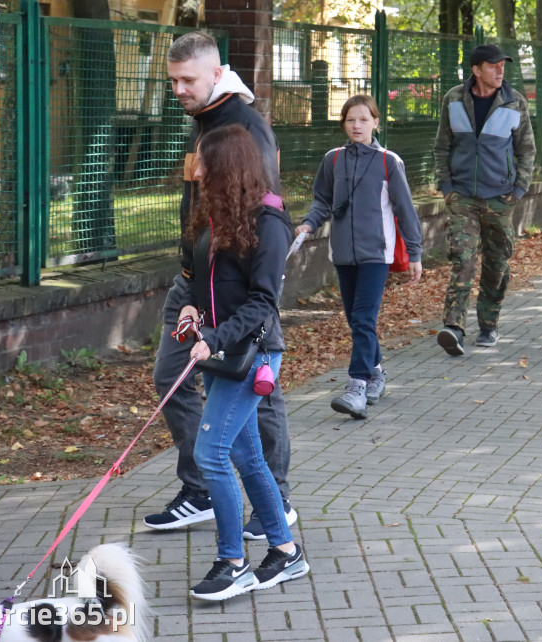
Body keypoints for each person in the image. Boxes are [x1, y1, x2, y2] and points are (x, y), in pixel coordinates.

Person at [146, 31, 298, 542]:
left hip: (231, 289)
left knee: (258, 386)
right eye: (173, 81)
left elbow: (262, 215)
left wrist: (227, 300)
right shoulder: (204, 119)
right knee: (172, 375)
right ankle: (203, 490)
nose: (179, 90)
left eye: (188, 80)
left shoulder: (244, 126)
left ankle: (274, 499)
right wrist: (191, 285)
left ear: (216, 74)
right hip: (193, 280)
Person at [180, 125, 309, 600]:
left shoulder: (269, 221)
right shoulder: (214, 211)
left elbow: (262, 303)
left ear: (229, 165)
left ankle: (232, 562)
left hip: (251, 353)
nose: (196, 167)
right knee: (245, 454)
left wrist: (214, 339)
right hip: (221, 351)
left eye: (204, 159)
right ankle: (286, 552)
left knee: (211, 454)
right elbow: (204, 278)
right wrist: (192, 308)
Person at [296, 95, 424, 417]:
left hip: (375, 254)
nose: (357, 125)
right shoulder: (333, 159)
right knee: (356, 320)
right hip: (342, 253)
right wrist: (309, 224)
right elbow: (322, 200)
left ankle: (357, 386)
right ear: (343, 123)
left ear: (376, 123)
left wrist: (415, 252)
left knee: (364, 319)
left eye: (364, 120)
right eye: (351, 120)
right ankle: (377, 373)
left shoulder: (388, 161)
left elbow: (405, 210)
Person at [433, 43, 535, 356]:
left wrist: (518, 190)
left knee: (496, 263)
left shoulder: (514, 102)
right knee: (462, 259)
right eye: (493, 66)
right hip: (463, 195)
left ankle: (488, 324)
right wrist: (446, 186)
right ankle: (454, 328)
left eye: (503, 65)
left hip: (500, 197)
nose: (500, 70)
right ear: (477, 70)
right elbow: (442, 147)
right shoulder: (454, 99)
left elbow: (526, 150)